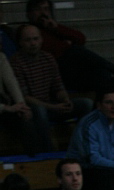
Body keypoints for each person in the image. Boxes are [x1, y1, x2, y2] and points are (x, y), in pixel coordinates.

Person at [10, 24, 92, 153]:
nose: (33, 43)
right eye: (28, 40)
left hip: (51, 106)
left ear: (41, 40)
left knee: (86, 104)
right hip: (32, 110)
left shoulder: (48, 58)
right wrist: (53, 107)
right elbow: (24, 97)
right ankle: (48, 154)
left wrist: (65, 100)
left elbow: (58, 86)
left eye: (36, 39)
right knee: (39, 110)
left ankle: (83, 148)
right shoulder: (16, 62)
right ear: (20, 42)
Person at [25, 0, 114, 91]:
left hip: (74, 68)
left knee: (102, 72)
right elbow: (51, 50)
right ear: (30, 13)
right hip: (56, 70)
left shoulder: (52, 28)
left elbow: (81, 38)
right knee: (76, 50)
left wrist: (57, 28)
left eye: (46, 9)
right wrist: (67, 44)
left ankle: (110, 94)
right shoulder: (28, 31)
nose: (43, 13)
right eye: (38, 9)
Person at [0, 46, 32, 154]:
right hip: (3, 107)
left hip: (3, 102)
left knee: (24, 115)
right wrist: (5, 108)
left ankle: (35, 158)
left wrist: (22, 105)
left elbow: (11, 82)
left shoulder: (1, 57)